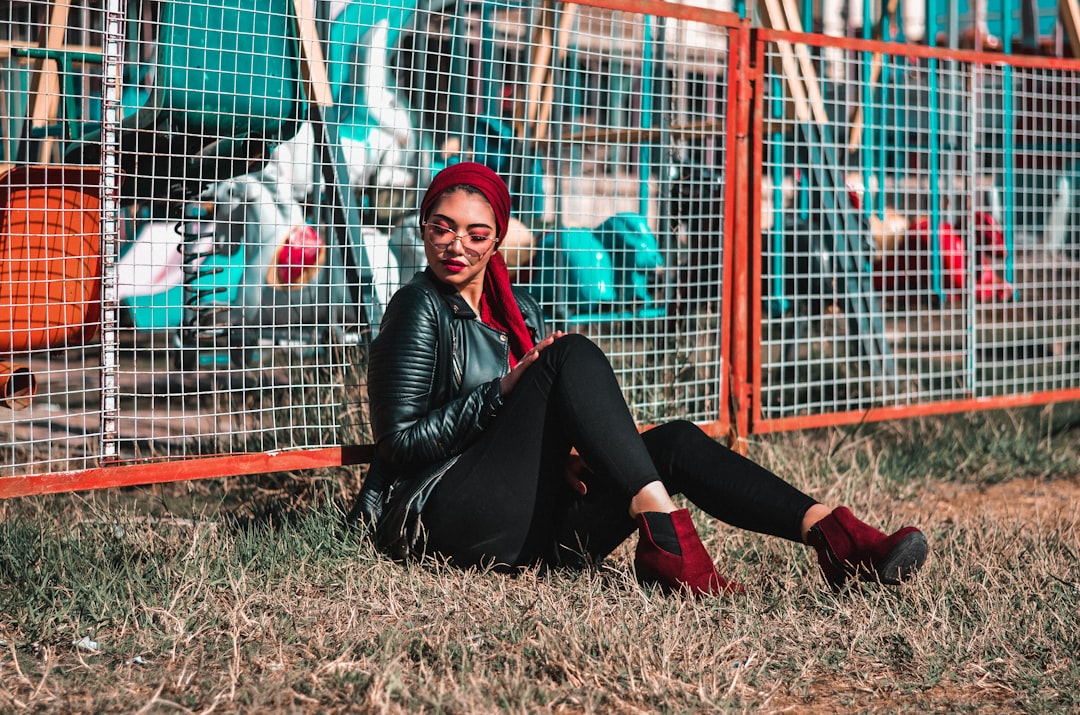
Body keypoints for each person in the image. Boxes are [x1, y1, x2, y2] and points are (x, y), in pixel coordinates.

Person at [349, 162, 928, 595]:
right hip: (444, 519)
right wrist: (504, 390)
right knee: (567, 355)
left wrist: (560, 457)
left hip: (531, 525)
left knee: (673, 441)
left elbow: (530, 429)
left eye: (475, 233)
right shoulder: (416, 307)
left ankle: (837, 539)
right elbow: (400, 445)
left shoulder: (518, 310)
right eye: (441, 228)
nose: (456, 245)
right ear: (424, 228)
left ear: (497, 239)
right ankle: (667, 537)